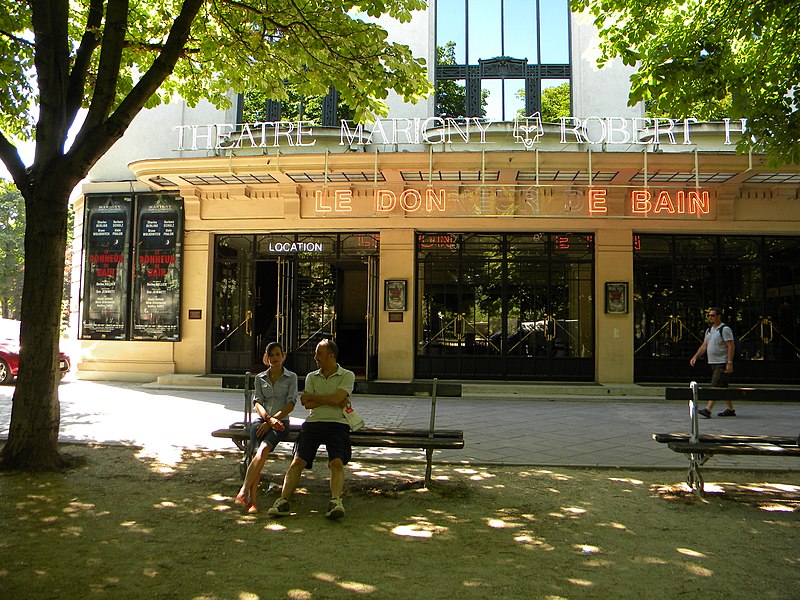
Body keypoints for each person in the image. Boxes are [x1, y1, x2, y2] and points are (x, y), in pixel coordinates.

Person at [267, 338, 355, 519]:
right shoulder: (311, 376)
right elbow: (307, 403)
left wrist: (318, 398)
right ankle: (283, 500)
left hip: (338, 424)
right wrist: (332, 399)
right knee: (298, 461)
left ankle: (335, 501)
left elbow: (328, 399)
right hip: (313, 423)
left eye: (319, 354)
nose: (315, 357)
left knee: (336, 462)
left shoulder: (347, 375)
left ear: (331, 356)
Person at [235, 341, 297, 513]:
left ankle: (243, 491)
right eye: (271, 355)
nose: (275, 358)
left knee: (262, 451)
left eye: (278, 354)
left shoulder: (291, 377)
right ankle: (252, 501)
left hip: (280, 423)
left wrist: (272, 421)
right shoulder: (260, 378)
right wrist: (267, 420)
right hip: (261, 421)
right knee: (256, 454)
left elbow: (291, 404)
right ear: (266, 358)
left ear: (283, 356)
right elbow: (257, 403)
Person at [689, 307, 736, 418]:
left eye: (713, 315)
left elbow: (731, 346)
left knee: (715, 385)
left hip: (722, 362)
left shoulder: (724, 329)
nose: (710, 317)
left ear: (719, 316)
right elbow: (705, 345)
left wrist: (729, 362)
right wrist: (696, 356)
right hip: (712, 362)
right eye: (709, 315)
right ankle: (730, 409)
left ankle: (708, 410)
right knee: (722, 387)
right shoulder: (709, 330)